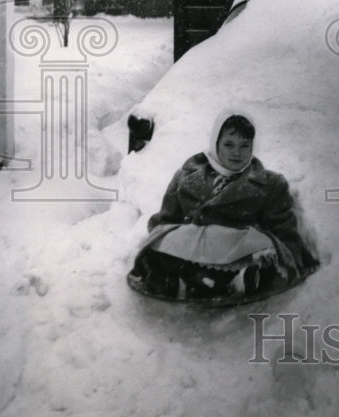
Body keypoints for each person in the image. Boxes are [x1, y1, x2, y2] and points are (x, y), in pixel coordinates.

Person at [127, 112, 318, 302]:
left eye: (245, 146)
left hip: (237, 250)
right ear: (215, 144)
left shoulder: (269, 183)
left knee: (263, 248)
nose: (237, 152)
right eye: (229, 144)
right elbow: (166, 218)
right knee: (165, 241)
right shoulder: (186, 175)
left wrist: (292, 257)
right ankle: (177, 276)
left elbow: (282, 227)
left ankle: (239, 279)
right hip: (193, 246)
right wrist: (160, 241)